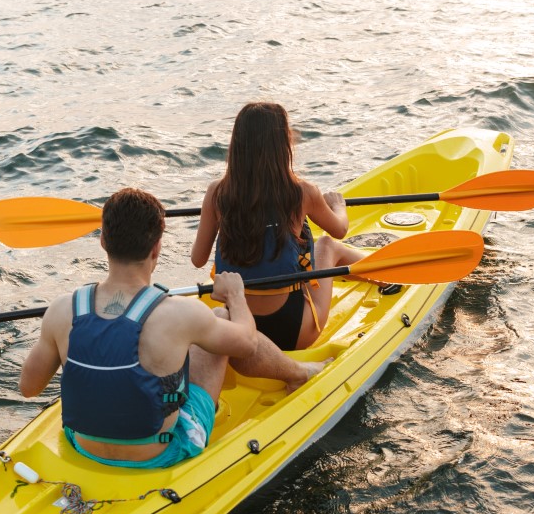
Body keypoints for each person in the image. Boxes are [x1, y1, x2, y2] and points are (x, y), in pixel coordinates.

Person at [19, 187, 322, 469]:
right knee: (220, 319)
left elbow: (29, 388)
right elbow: (247, 344)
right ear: (156, 247)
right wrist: (236, 297)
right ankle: (300, 373)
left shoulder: (62, 309)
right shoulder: (179, 314)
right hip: (161, 452)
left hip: (82, 445)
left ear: (103, 241)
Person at [190, 102, 386, 351]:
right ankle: (387, 273)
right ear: (284, 144)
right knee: (327, 245)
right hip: (292, 333)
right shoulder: (302, 192)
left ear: (237, 144)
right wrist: (339, 206)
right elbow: (339, 230)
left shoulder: (216, 192)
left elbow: (198, 259)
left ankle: (378, 272)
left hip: (240, 325)